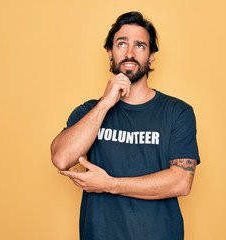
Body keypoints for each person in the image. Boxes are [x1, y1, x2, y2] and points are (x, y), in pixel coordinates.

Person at [51, 11, 200, 240]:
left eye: (140, 46)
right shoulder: (88, 112)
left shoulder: (178, 112)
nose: (130, 53)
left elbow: (181, 182)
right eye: (122, 44)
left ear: (151, 57)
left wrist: (110, 184)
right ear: (110, 52)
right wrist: (105, 104)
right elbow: (61, 158)